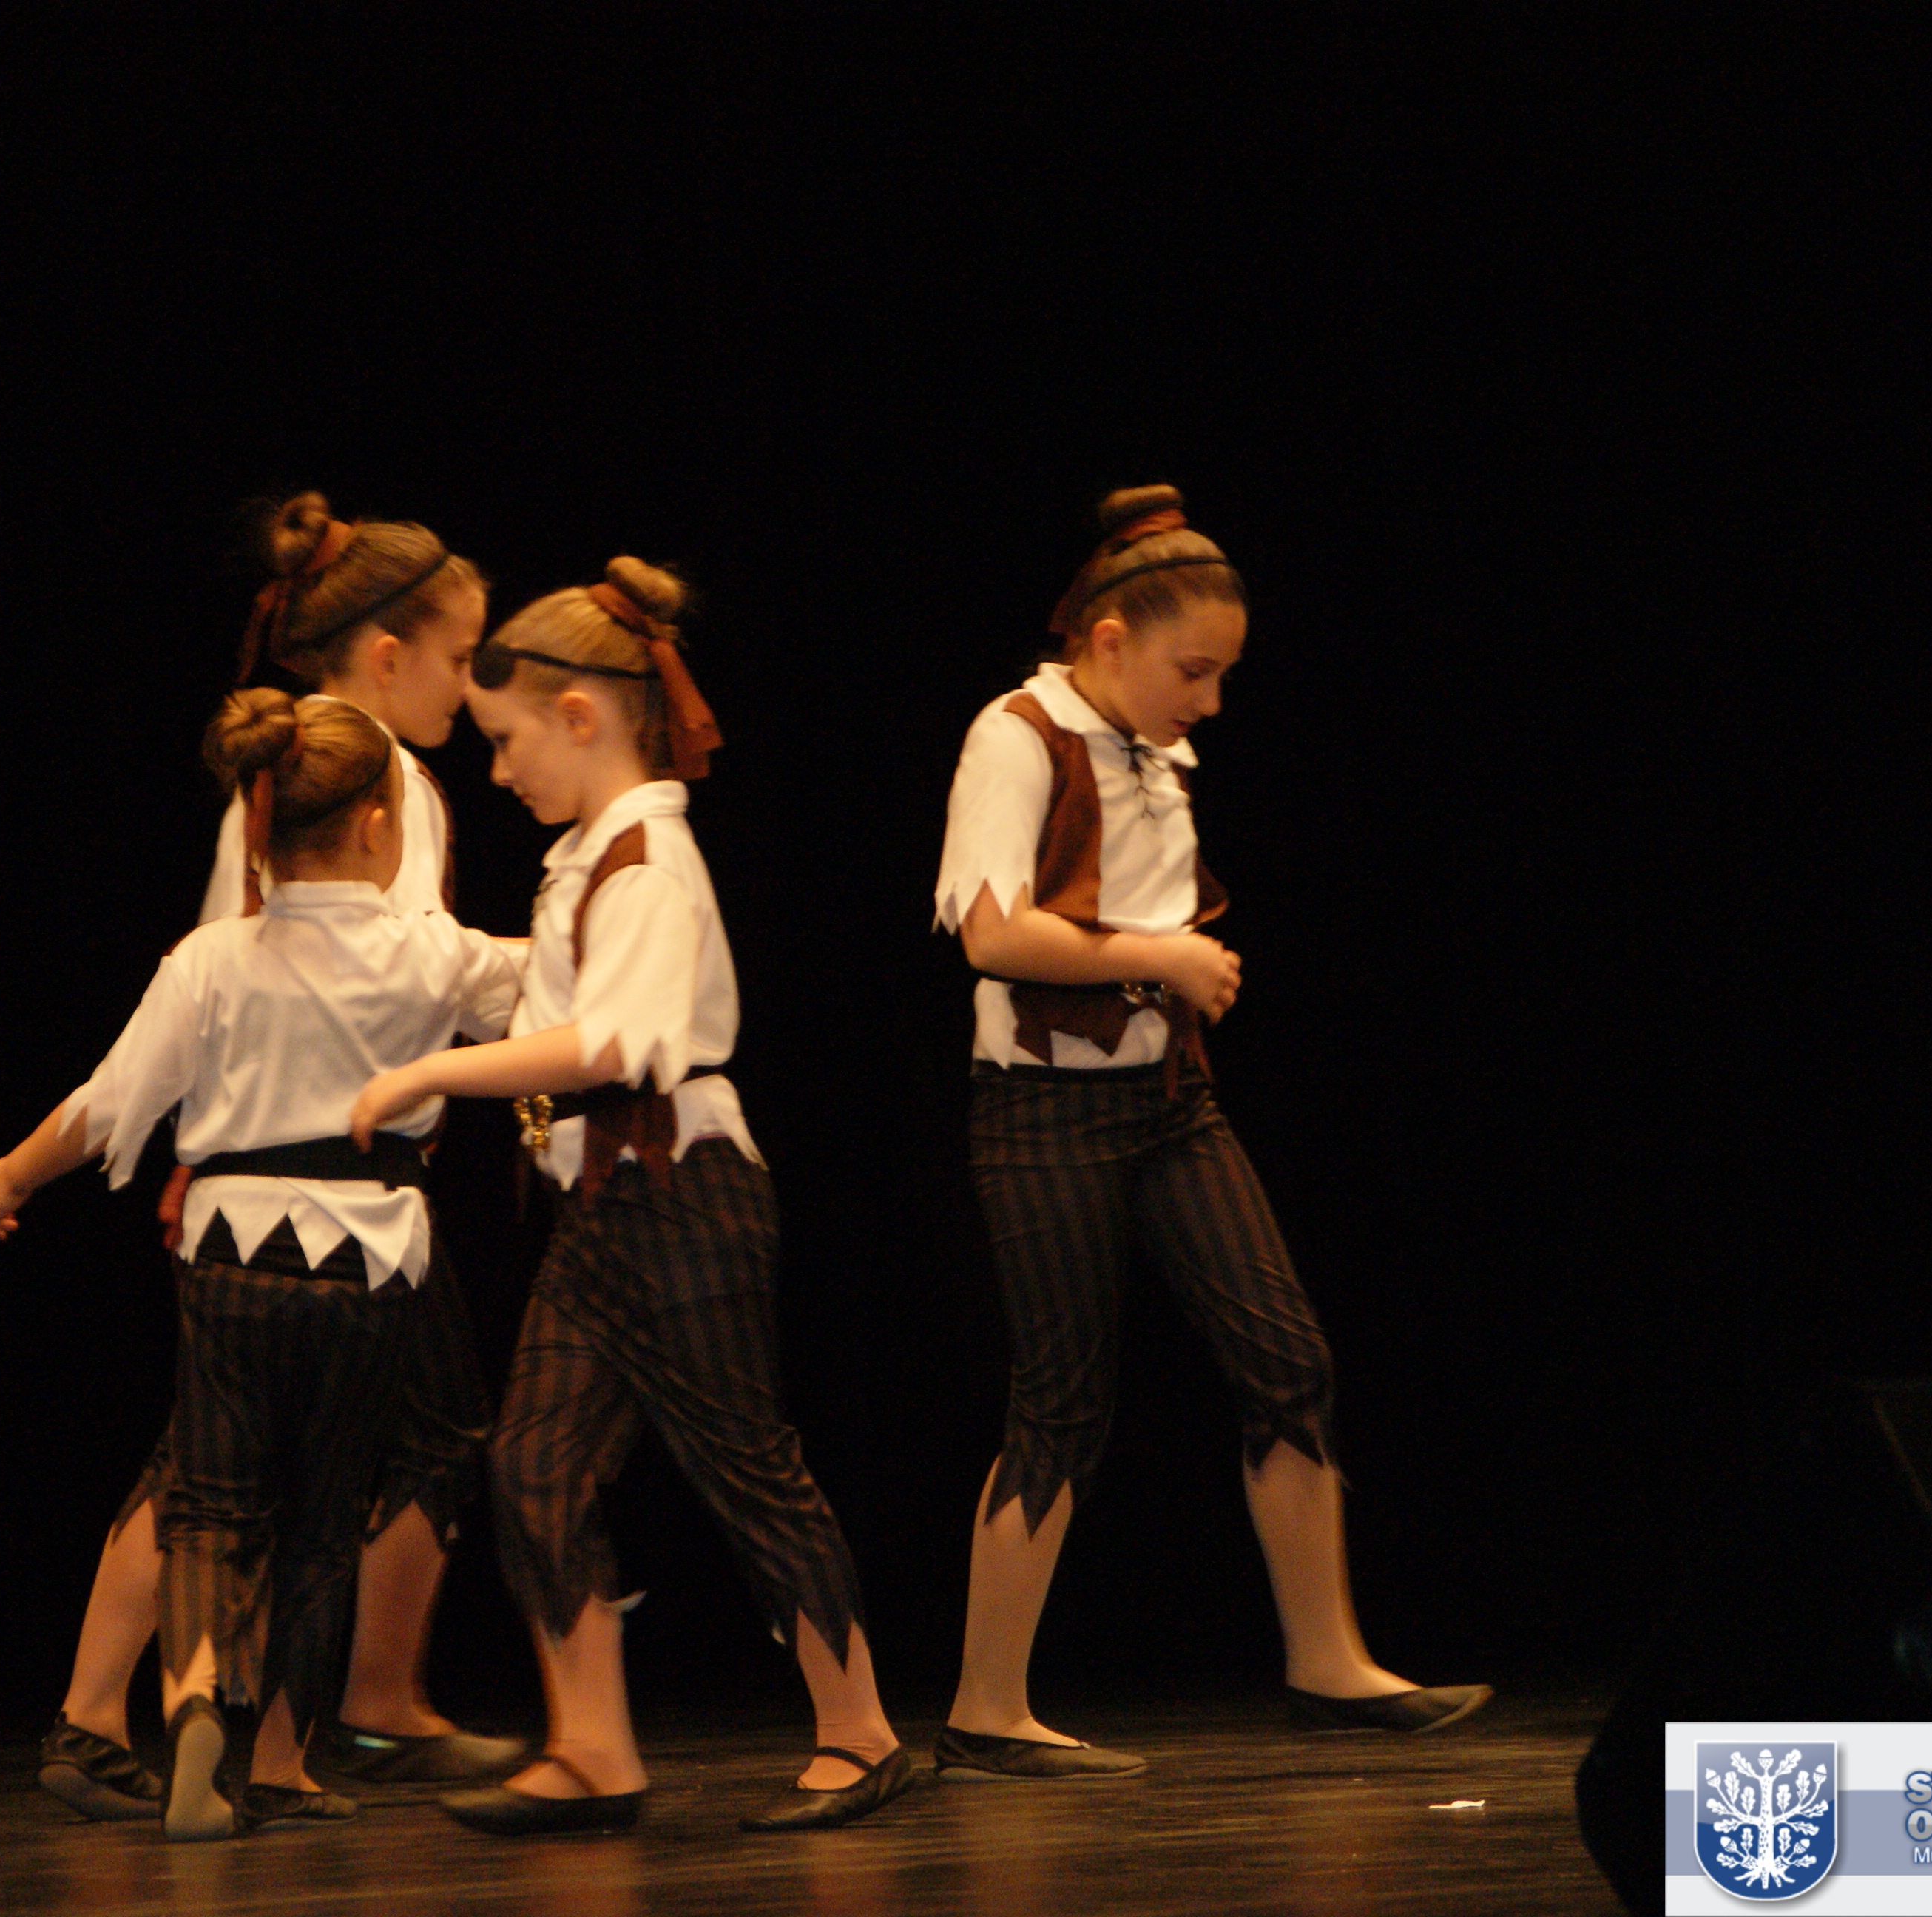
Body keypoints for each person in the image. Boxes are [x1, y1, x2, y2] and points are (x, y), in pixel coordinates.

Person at [928, 485, 1489, 1781]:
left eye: (1224, 674)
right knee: (1061, 1403)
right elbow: (992, 933)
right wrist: (1163, 955)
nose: (1213, 700)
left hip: (1168, 1101)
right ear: (1109, 638)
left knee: (1287, 1359)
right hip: (1044, 1110)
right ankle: (985, 1707)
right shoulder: (1016, 734)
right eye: (1194, 671)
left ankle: (1329, 1661)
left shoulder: (1150, 743)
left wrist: (1163, 969)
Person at [348, 559, 913, 1835]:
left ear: (582, 716)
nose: (499, 770)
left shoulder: (651, 859)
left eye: (509, 741)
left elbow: (614, 1041)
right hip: (603, 1206)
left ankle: (862, 1732)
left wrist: (431, 1072)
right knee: (533, 1464)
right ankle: (594, 1749)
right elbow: (548, 994)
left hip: (679, 1195)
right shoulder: (592, 857)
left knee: (745, 1464)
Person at [36, 498, 524, 1822]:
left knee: (225, 1458)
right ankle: (347, 1711)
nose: (469, 687)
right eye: (459, 657)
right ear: (386, 653)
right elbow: (406, 972)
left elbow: (221, 955)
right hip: (348, 1182)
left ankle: (139, 1715)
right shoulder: (376, 779)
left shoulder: (282, 764)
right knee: (365, 1447)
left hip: (256, 1162)